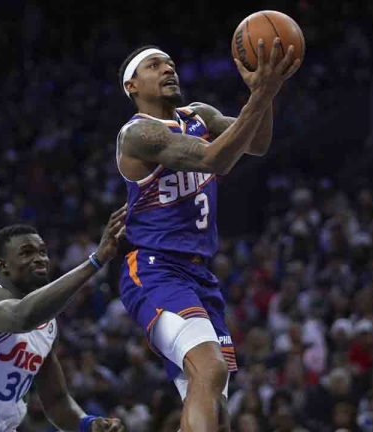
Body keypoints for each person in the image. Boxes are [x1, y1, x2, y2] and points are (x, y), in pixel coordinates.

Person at [114, 37, 300, 432]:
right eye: (155, 66)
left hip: (199, 276)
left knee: (216, 408)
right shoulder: (138, 135)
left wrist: (263, 93)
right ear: (132, 86)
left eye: (170, 63)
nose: (168, 69)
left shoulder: (199, 114)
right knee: (210, 369)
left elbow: (258, 142)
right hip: (153, 269)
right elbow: (216, 159)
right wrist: (262, 95)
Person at [0, 208, 127, 432]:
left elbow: (57, 401)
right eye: (27, 252)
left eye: (42, 252)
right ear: (3, 266)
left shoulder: (47, 326)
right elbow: (22, 317)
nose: (39, 259)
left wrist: (88, 424)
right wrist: (95, 262)